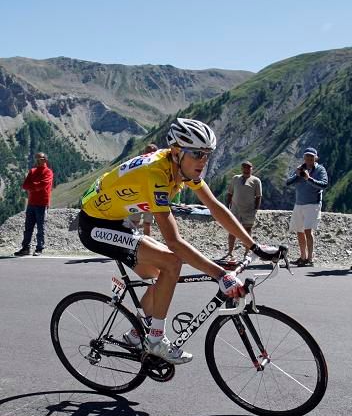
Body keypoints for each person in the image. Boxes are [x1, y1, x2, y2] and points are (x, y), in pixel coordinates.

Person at [78, 118, 280, 365]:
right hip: (95, 225)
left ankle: (135, 334)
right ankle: (155, 340)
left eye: (207, 154)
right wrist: (220, 274)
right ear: (176, 153)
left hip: (117, 219)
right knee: (172, 262)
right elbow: (174, 241)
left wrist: (254, 246)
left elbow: (216, 208)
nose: (203, 161)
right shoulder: (156, 175)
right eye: (197, 154)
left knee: (162, 272)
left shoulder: (183, 168)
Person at [286, 147, 328, 267]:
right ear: (304, 158)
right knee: (299, 231)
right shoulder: (300, 169)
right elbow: (288, 182)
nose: (309, 158)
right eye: (307, 156)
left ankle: (310, 258)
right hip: (299, 203)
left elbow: (324, 185)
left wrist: (308, 178)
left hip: (313, 204)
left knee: (308, 231)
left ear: (316, 158)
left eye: (311, 156)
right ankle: (303, 257)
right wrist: (297, 175)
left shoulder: (320, 169)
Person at [14, 152, 54, 256]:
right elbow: (25, 185)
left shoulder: (48, 172)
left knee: (41, 227)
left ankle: (39, 248)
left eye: (39, 159)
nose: (37, 160)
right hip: (31, 203)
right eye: (36, 159)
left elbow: (43, 184)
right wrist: (34, 186)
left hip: (42, 203)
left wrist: (32, 186)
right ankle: (25, 248)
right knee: (28, 227)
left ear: (45, 160)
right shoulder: (32, 171)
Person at [224, 161, 262, 259]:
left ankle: (246, 252)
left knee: (247, 231)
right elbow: (229, 193)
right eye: (244, 167)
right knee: (232, 230)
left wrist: (256, 209)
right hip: (235, 209)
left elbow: (258, 196)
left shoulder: (256, 181)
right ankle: (230, 252)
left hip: (249, 210)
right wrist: (227, 206)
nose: (246, 169)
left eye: (248, 167)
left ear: (252, 169)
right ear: (242, 169)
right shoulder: (235, 178)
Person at [130, 143, 159, 236]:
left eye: (151, 152)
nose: (149, 154)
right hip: (139, 197)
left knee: (146, 224)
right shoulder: (139, 163)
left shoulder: (158, 165)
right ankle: (131, 242)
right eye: (148, 151)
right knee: (134, 222)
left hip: (150, 198)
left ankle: (147, 244)